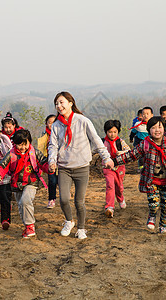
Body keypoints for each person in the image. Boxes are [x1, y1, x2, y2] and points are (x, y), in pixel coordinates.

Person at [48, 91, 114, 240]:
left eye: (62, 102)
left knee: (79, 201)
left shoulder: (82, 120)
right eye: (56, 104)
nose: (59, 106)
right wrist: (52, 161)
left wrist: (107, 158)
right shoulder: (56, 125)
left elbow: (96, 140)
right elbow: (53, 145)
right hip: (64, 167)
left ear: (71, 103)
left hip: (82, 167)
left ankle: (81, 228)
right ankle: (69, 221)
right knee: (63, 199)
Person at [0, 129, 51, 238]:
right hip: (16, 185)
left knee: (25, 201)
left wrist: (50, 168)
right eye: (20, 145)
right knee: (21, 206)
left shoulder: (34, 152)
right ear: (14, 144)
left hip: (31, 182)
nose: (23, 147)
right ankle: (27, 226)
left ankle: (30, 226)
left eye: (25, 144)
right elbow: (2, 166)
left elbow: (43, 163)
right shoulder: (11, 154)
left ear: (29, 142)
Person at [102, 120, 131, 218]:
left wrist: (121, 153)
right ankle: (109, 207)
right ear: (106, 132)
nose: (112, 134)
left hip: (119, 167)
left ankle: (120, 198)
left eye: (115, 132)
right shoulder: (103, 142)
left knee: (119, 186)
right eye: (110, 132)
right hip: (107, 167)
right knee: (110, 185)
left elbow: (129, 151)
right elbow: (95, 150)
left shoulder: (120, 142)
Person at [37, 114, 58, 209]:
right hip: (49, 163)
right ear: (46, 124)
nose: (52, 124)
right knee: (52, 181)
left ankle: (63, 198)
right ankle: (51, 199)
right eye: (50, 122)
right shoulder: (43, 137)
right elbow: (40, 151)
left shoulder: (62, 134)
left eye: (54, 122)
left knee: (62, 181)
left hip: (61, 162)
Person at [129, 106, 154, 172]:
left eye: (147, 114)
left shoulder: (154, 125)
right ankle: (141, 168)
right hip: (139, 142)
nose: (145, 115)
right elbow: (133, 132)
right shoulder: (138, 124)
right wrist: (131, 138)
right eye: (143, 114)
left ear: (151, 115)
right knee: (140, 156)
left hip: (150, 142)